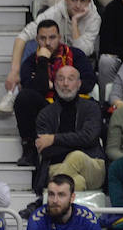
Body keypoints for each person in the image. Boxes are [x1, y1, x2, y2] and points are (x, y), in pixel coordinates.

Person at [10, 20, 97, 166]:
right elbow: (36, 89)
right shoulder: (31, 62)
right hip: (47, 108)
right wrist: (43, 61)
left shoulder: (76, 55)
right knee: (24, 98)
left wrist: (55, 86)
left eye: (52, 37)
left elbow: (89, 83)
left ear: (60, 37)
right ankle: (30, 149)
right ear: (37, 40)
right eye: (43, 38)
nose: (47, 43)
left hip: (74, 104)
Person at [31, 64, 105, 196]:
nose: (65, 83)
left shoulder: (92, 108)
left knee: (77, 156)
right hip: (57, 166)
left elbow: (89, 137)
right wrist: (78, 143)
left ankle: (45, 200)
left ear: (79, 84)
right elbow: (45, 150)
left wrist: (54, 139)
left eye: (70, 79)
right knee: (78, 183)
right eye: (61, 79)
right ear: (55, 84)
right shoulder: (45, 114)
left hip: (92, 165)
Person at [25, 174, 104, 230]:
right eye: (51, 194)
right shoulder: (37, 219)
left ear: (72, 198)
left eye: (61, 195)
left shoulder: (87, 218)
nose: (55, 200)